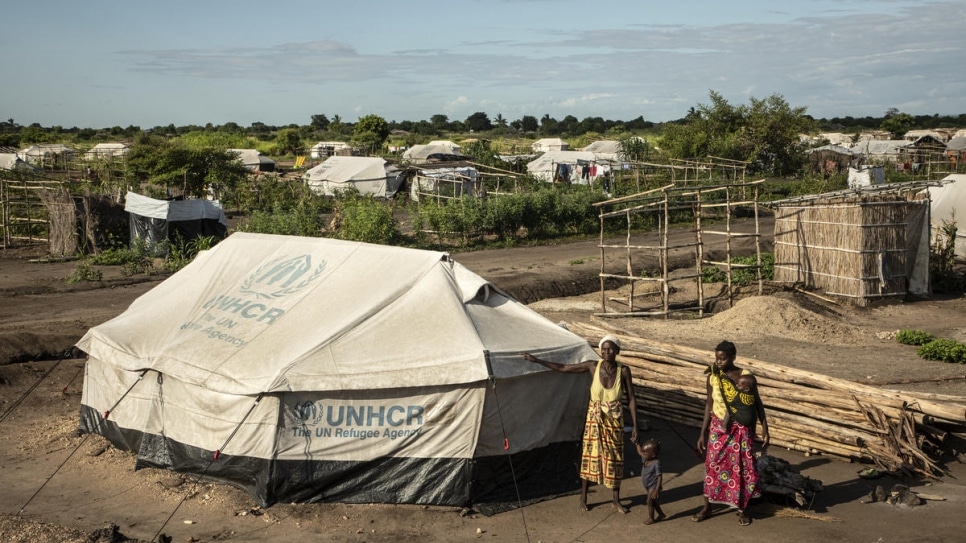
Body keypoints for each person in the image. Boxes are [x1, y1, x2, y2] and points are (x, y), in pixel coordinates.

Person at [522, 335, 638, 513]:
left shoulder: (624, 371)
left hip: (614, 420)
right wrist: (537, 360)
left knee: (615, 459)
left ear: (617, 351)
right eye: (604, 349)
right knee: (589, 456)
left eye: (611, 349)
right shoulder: (592, 366)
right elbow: (564, 368)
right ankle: (583, 497)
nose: (607, 352)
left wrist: (635, 425)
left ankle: (616, 500)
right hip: (595, 418)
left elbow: (631, 398)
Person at [692, 340, 769, 527]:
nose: (719, 362)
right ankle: (707, 506)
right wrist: (702, 433)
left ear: (733, 357)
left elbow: (757, 402)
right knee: (712, 464)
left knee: (741, 468)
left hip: (741, 428)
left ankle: (741, 509)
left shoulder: (745, 377)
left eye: (723, 359)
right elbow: (709, 405)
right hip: (719, 426)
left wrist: (765, 427)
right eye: (717, 359)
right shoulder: (713, 376)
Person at [635, 438, 666, 525]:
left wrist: (656, 489)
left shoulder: (656, 463)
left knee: (649, 501)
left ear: (652, 455)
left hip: (654, 486)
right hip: (648, 486)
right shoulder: (646, 459)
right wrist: (637, 443)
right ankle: (661, 514)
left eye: (645, 452)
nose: (643, 454)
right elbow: (640, 452)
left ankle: (651, 518)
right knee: (653, 501)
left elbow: (659, 476)